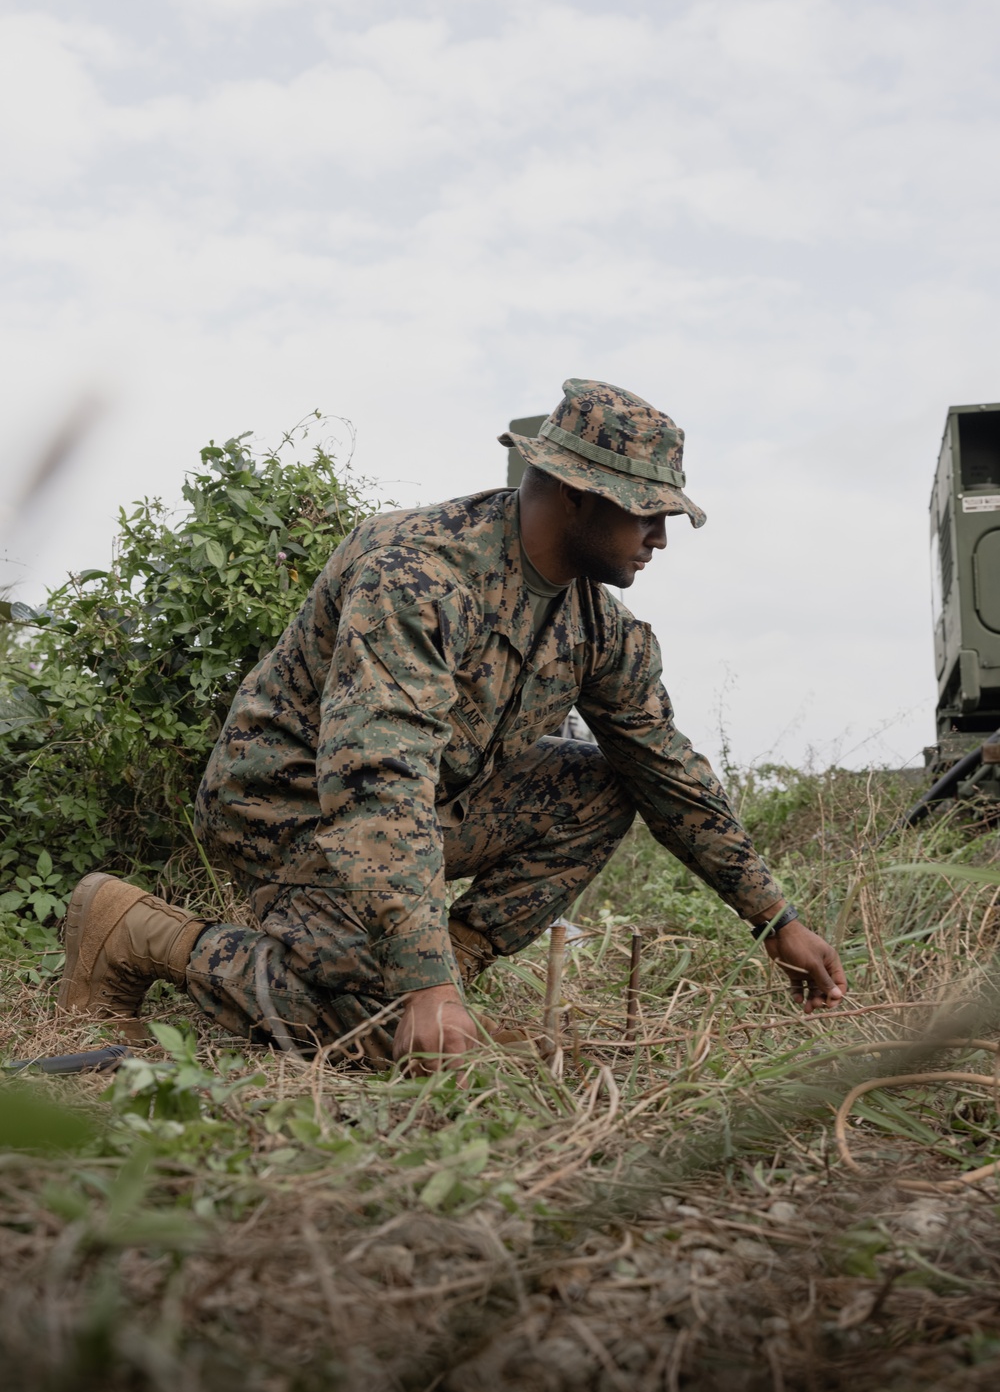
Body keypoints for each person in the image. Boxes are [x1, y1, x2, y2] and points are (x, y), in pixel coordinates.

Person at [59, 379, 846, 1068]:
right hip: (289, 812)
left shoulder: (599, 627)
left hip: (418, 812)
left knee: (610, 783)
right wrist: (417, 977)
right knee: (372, 1033)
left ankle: (444, 977)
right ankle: (137, 930)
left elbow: (667, 768)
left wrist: (775, 918)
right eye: (646, 512)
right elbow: (377, 783)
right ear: (574, 491)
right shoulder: (418, 575)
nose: (661, 537)